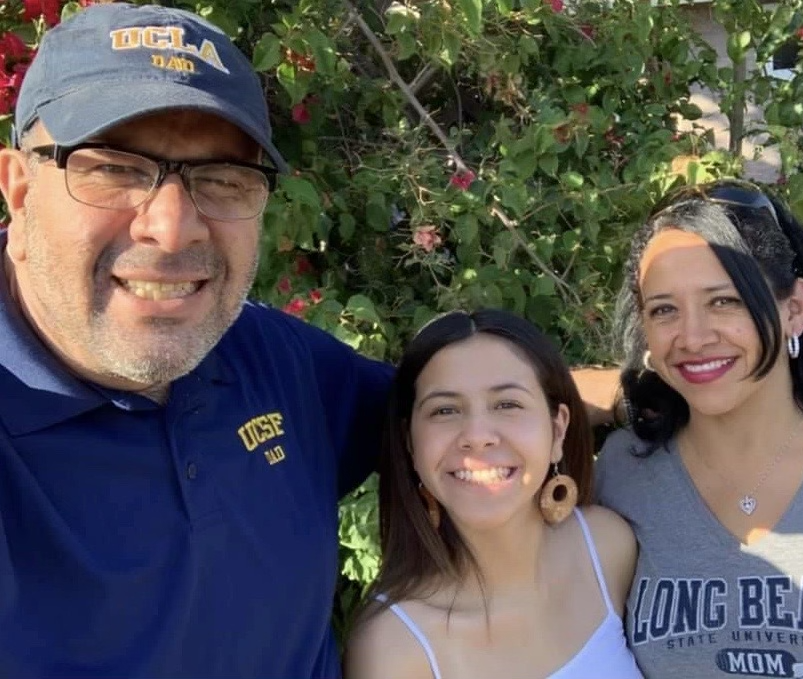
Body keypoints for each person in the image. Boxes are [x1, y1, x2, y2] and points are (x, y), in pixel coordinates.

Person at [0, 4, 623, 677]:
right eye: (115, 169)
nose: (173, 227)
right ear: (19, 185)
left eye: (222, 179)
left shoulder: (272, 362)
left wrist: (662, 388)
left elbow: (459, 410)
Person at [595, 180, 803, 677]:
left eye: (725, 301)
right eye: (664, 310)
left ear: (795, 309)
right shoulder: (622, 471)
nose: (692, 338)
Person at [344, 309, 642, 679]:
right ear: (410, 445)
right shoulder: (394, 647)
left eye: (507, 404)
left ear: (558, 430)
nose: (477, 435)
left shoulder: (607, 546)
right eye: (445, 410)